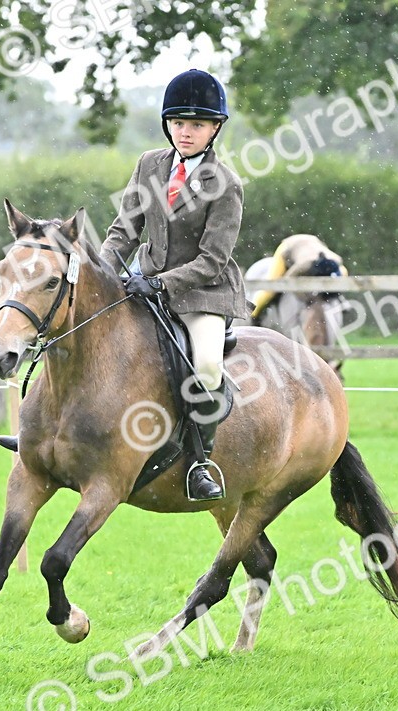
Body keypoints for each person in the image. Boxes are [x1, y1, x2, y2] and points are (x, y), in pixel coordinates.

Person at [98, 68, 250, 501]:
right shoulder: (149, 165)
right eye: (178, 123)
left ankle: (200, 463)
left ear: (215, 128)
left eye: (196, 124)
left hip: (202, 293)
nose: (185, 132)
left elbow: (212, 260)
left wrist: (160, 284)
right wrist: (106, 273)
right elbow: (124, 230)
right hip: (142, 282)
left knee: (205, 365)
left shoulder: (226, 185)